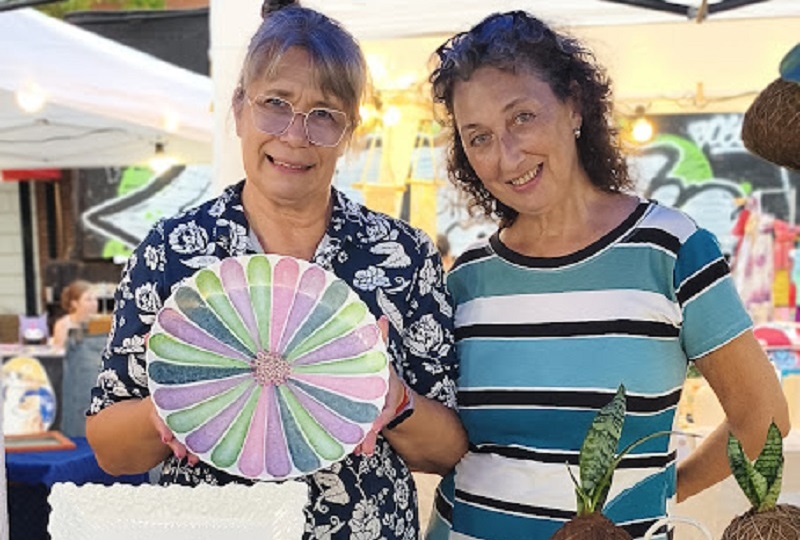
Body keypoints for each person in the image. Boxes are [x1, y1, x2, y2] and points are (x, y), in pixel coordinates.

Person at [86, 2, 466, 538]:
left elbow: (448, 450)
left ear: (349, 132)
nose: (295, 134)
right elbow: (110, 449)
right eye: (275, 104)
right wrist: (169, 409)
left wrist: (394, 398)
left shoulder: (400, 255)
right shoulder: (172, 252)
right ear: (239, 108)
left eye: (324, 114)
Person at [424, 11, 790, 540]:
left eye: (522, 117)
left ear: (574, 104)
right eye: (478, 137)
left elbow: (763, 417)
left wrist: (662, 493)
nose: (506, 156)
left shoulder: (670, 250)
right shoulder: (468, 277)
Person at [51, 279, 98, 348]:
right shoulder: (63, 325)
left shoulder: (102, 322)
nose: (94, 303)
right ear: (74, 303)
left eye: (95, 299)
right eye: (88, 299)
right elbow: (59, 350)